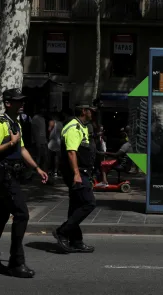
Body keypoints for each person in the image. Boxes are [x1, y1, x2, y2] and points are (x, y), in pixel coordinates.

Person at [0, 88, 48, 278]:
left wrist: (37, 168)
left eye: (22, 100)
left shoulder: (16, 123)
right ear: (8, 103)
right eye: (18, 101)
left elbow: (23, 148)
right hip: (4, 176)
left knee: (0, 217)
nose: (22, 104)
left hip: (11, 175)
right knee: (22, 214)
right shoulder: (0, 124)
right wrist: (10, 144)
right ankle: (16, 262)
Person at [53, 104, 97, 253]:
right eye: (91, 111)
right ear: (84, 111)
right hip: (76, 173)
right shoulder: (74, 127)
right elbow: (71, 152)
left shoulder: (82, 126)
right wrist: (77, 174)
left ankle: (76, 241)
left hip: (82, 172)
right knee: (89, 203)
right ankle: (62, 232)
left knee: (76, 206)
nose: (93, 113)